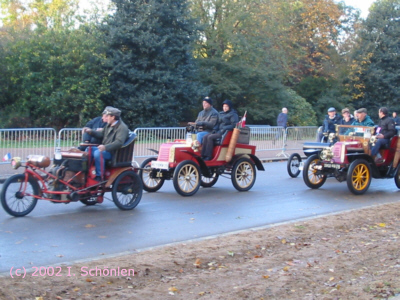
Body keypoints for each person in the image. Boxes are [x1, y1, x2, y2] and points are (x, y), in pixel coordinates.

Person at [84, 107, 129, 181]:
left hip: (114, 153)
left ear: (113, 117)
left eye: (107, 116)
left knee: (98, 153)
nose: (105, 118)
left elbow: (119, 142)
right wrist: (90, 131)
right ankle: (87, 172)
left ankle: (100, 176)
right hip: (107, 150)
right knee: (89, 149)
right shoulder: (109, 125)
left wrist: (105, 147)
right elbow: (101, 134)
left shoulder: (122, 128)